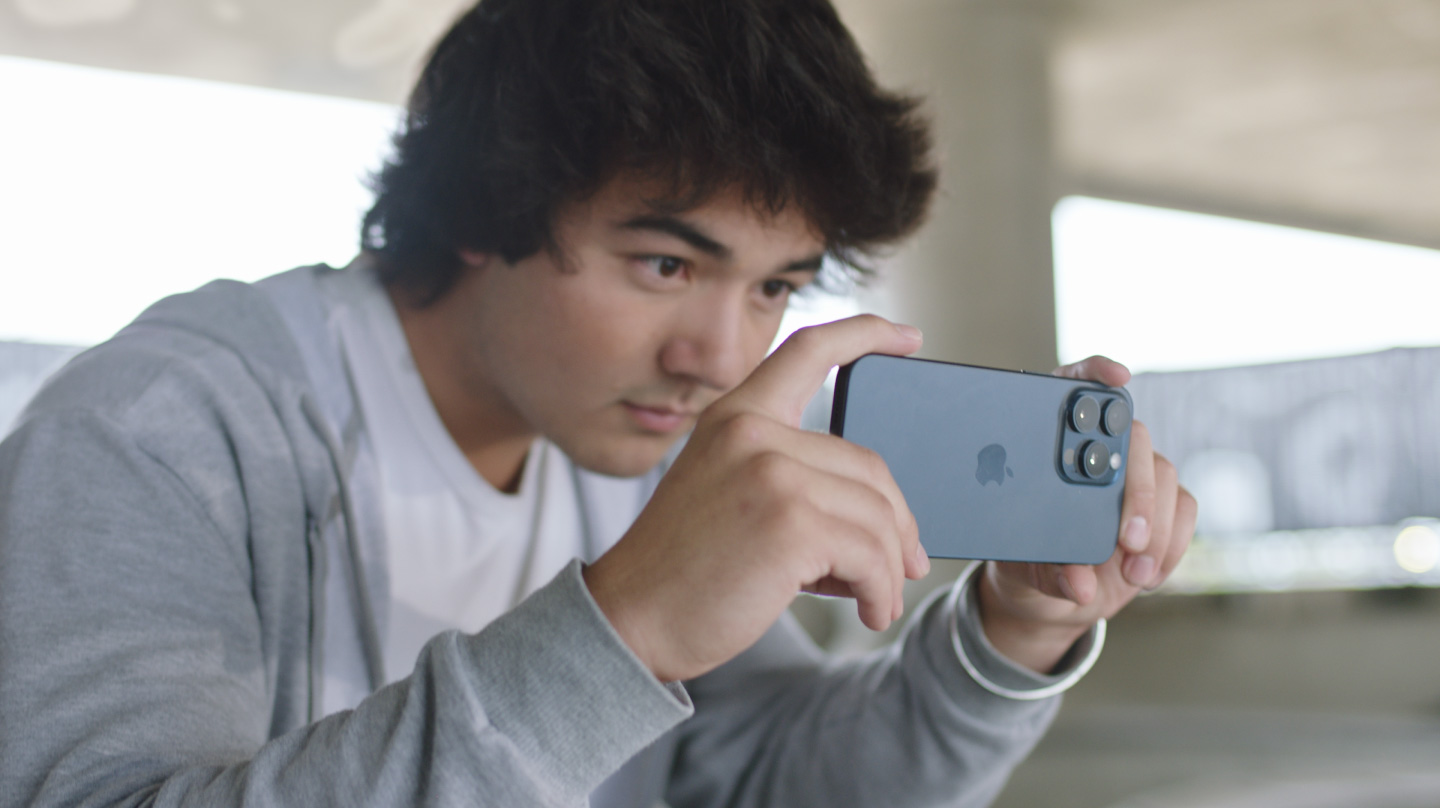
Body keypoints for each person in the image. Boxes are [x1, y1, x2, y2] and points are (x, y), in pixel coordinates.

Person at [0, 0, 1196, 805]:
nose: (717, 358)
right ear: (484, 210)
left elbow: (767, 778)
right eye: (666, 264)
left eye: (774, 287)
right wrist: (624, 629)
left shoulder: (636, 448)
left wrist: (1009, 636)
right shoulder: (163, 428)